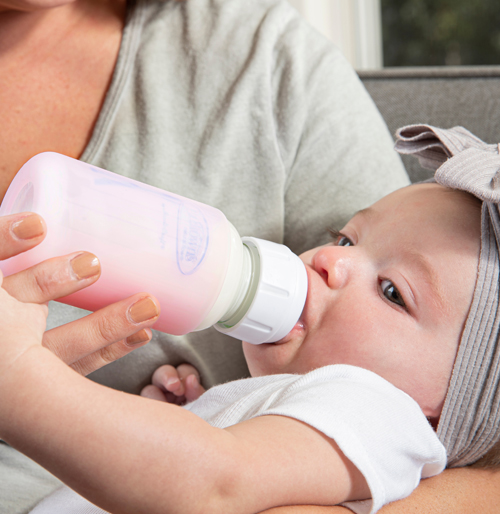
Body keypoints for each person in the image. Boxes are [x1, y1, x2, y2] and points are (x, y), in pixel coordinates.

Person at [1, 0, 498, 512]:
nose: (330, 260)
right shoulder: (312, 415)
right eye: (347, 239)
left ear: (443, 412)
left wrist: (17, 379)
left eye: (393, 291)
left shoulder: (382, 417)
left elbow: (214, 484)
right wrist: (189, 420)